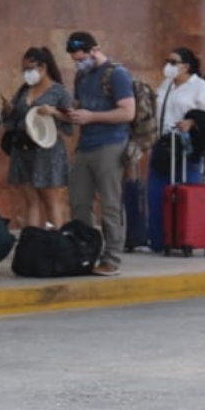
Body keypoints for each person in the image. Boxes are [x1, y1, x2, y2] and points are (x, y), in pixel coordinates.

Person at [64, 31, 135, 276]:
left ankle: (112, 257)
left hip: (110, 145)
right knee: (79, 202)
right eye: (75, 59)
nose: (78, 63)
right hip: (85, 146)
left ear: (94, 50)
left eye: (81, 57)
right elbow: (77, 107)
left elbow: (127, 112)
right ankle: (85, 251)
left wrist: (92, 117)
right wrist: (58, 112)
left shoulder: (117, 75)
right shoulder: (82, 77)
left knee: (110, 204)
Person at [147, 47, 205, 252]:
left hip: (186, 146)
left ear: (186, 66)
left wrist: (191, 121)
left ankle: (185, 237)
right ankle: (160, 240)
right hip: (163, 143)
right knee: (156, 193)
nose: (168, 65)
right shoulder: (166, 84)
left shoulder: (199, 85)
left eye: (173, 62)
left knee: (185, 192)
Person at [1, 46, 73, 229]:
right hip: (23, 149)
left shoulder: (59, 92)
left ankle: (58, 245)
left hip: (47, 151)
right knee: (30, 201)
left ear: (43, 67)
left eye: (30, 69)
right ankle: (32, 243)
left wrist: (54, 112)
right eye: (24, 70)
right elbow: (14, 118)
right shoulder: (23, 91)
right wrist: (9, 110)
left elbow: (71, 120)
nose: (27, 74)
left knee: (52, 201)